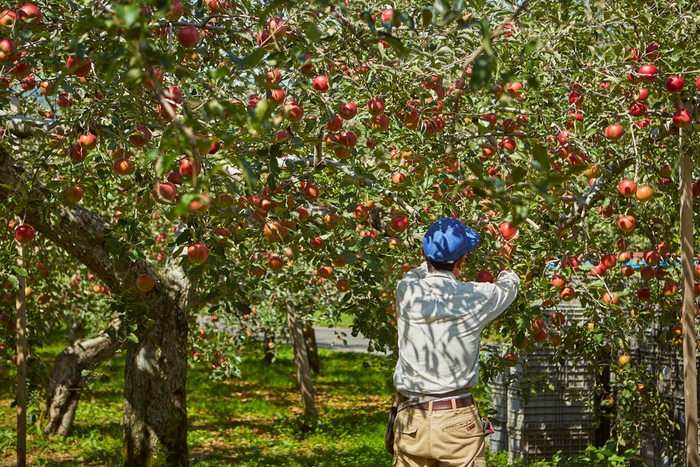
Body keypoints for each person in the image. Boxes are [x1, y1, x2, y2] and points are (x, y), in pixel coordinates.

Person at [391, 217, 520, 467]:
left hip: (411, 418)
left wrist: (434, 254)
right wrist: (504, 258)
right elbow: (509, 286)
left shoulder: (407, 290)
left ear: (424, 255)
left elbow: (417, 273)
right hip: (456, 419)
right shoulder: (476, 295)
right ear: (461, 262)